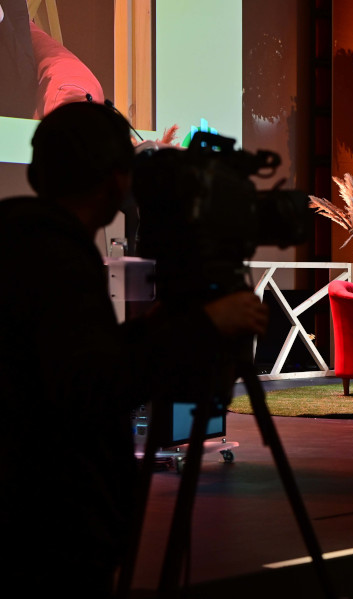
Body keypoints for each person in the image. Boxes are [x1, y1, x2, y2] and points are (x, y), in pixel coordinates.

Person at [0, 101, 269, 597]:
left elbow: (76, 359)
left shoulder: (22, 240)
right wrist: (204, 323)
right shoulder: (53, 259)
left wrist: (167, 324)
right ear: (116, 179)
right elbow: (95, 385)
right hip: (47, 539)